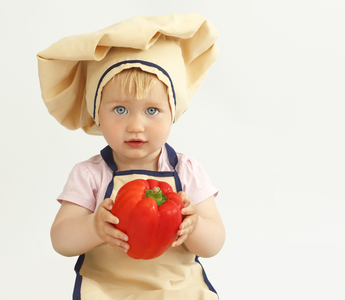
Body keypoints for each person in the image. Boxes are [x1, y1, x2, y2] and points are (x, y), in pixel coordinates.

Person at [37, 13, 225, 300]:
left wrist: (196, 225)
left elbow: (214, 244)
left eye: (152, 111)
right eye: (120, 110)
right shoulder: (90, 174)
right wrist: (93, 227)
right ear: (97, 113)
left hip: (176, 288)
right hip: (108, 288)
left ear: (173, 112)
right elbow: (60, 240)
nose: (136, 125)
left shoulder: (186, 171)